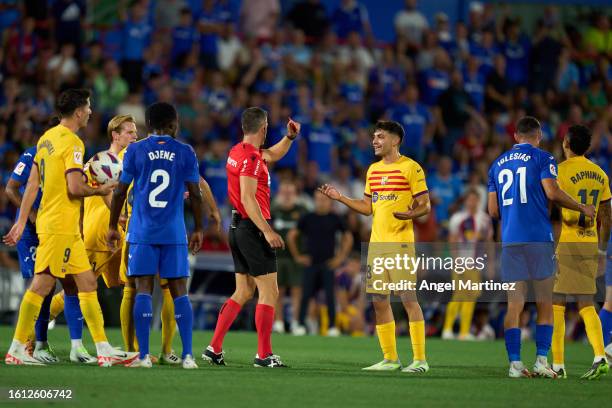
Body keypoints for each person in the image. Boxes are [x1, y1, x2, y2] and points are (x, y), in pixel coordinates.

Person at [3, 88, 137, 367]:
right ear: (78, 112)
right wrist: (101, 191)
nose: (90, 112)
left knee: (87, 283)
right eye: (88, 107)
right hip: (60, 225)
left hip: (59, 225)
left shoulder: (46, 139)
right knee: (42, 285)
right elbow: (74, 188)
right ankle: (17, 348)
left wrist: (20, 220)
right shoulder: (73, 143)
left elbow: (31, 185)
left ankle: (103, 348)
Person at [319, 120, 431, 373]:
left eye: (380, 136)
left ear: (395, 140)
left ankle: (420, 360)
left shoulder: (411, 168)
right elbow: (367, 208)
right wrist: (341, 198)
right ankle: (390, 359)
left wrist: (410, 215)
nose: (374, 141)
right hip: (377, 247)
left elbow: (426, 205)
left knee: (408, 300)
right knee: (380, 302)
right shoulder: (373, 170)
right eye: (373, 137)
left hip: (400, 245)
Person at [487, 116, 595, 378]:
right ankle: (541, 361)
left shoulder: (496, 164)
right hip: (538, 238)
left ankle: (514, 365)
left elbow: (492, 210)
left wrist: (514, 213)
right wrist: (582, 207)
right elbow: (552, 191)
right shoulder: (543, 158)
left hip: (511, 239)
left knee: (515, 305)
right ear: (539, 136)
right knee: (546, 303)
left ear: (515, 136)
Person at [108, 102, 204, 369]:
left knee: (143, 290)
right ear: (173, 124)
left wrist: (112, 225)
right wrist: (198, 228)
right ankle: (187, 356)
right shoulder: (186, 151)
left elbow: (119, 191)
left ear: (148, 126)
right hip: (174, 233)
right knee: (179, 291)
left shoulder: (135, 150)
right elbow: (195, 195)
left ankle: (143, 356)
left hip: (142, 232)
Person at [203, 107, 300, 368]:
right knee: (270, 292)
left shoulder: (239, 152)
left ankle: (214, 347)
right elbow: (247, 197)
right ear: (264, 128)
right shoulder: (253, 160)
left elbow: (273, 154)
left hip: (238, 228)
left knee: (244, 290)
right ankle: (264, 355)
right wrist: (267, 231)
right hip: (253, 229)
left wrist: (289, 138)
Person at [551, 124, 610, 379]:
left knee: (556, 303)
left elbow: (550, 206)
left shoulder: (560, 171)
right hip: (590, 243)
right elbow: (607, 215)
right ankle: (599, 355)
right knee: (586, 303)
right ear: (587, 147)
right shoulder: (600, 173)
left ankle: (558, 365)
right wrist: (601, 250)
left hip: (567, 241)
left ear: (566, 142)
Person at [287, 190, 353, 336]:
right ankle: (301, 325)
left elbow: (348, 237)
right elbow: (292, 236)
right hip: (310, 263)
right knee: (306, 295)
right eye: (318, 199)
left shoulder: (335, 218)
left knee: (330, 296)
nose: (321, 202)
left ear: (330, 201)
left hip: (328, 264)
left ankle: (332, 327)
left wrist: (340, 258)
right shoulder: (308, 218)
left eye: (324, 199)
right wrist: (298, 256)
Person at [442, 188, 492, 341]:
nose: (472, 202)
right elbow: (452, 239)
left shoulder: (484, 219)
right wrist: (455, 260)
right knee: (458, 295)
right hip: (461, 261)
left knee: (471, 297)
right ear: (465, 201)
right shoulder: (458, 217)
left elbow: (489, 242)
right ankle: (447, 329)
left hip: (476, 263)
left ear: (478, 201)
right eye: (469, 199)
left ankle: (463, 332)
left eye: (475, 199)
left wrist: (490, 263)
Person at [270, 181, 307, 335]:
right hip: (277, 256)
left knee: (296, 291)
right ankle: (278, 322)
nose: (286, 195)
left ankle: (295, 322)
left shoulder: (302, 211)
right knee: (278, 291)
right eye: (284, 192)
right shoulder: (273, 209)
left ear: (295, 194)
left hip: (295, 258)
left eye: (289, 192)